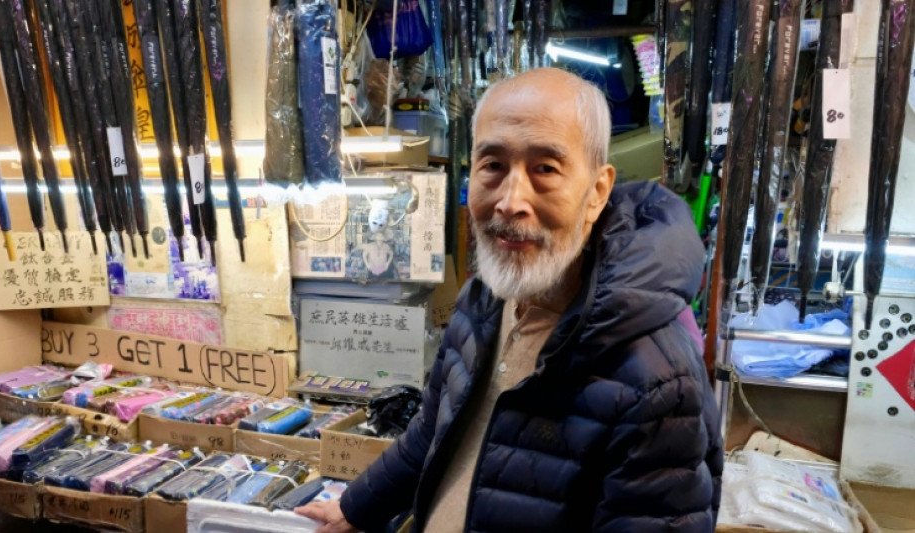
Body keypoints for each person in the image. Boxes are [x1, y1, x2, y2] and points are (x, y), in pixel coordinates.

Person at [296, 67, 723, 532]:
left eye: (545, 169)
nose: (510, 201)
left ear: (597, 192)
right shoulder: (482, 302)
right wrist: (355, 507)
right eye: (494, 166)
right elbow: (430, 433)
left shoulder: (657, 380)